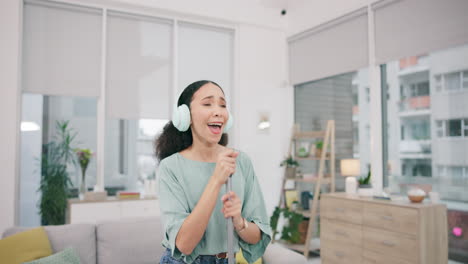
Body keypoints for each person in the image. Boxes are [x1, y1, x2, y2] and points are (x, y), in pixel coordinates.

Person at [155, 80, 271, 264]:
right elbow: (184, 245)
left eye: (223, 105)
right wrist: (216, 180)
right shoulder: (170, 167)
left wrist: (240, 222)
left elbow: (257, 236)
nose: (218, 111)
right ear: (186, 116)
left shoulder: (240, 161)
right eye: (207, 103)